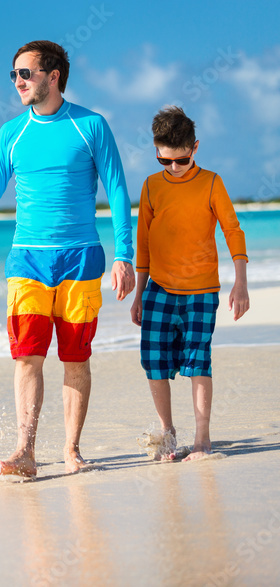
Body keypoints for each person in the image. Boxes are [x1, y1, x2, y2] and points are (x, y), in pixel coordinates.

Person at [0, 40, 135, 478]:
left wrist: (125, 254)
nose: (17, 82)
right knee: (27, 357)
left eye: (26, 73)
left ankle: (72, 449)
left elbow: (116, 189)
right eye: (14, 75)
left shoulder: (91, 125)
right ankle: (25, 451)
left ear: (53, 76)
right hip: (27, 261)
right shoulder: (11, 134)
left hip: (81, 258)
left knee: (76, 358)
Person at [131, 105, 249, 461]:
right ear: (156, 152)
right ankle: (168, 434)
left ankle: (202, 439)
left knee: (198, 361)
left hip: (201, 291)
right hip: (159, 291)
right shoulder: (151, 186)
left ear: (194, 148)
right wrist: (139, 293)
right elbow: (144, 242)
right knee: (153, 362)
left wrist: (240, 282)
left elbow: (232, 229)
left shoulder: (211, 182)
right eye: (165, 161)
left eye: (181, 160)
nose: (174, 168)